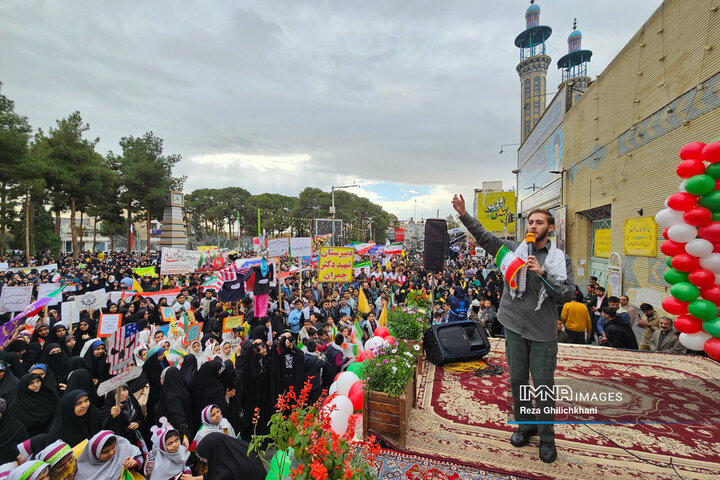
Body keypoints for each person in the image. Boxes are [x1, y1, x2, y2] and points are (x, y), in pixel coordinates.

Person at [453, 194, 575, 464]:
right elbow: (485, 238)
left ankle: (546, 439)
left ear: (550, 228)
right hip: (513, 327)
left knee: (543, 386)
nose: (532, 226)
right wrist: (463, 215)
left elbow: (567, 295)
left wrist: (543, 274)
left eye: (539, 222)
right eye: (530, 222)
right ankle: (525, 426)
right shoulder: (514, 249)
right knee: (518, 380)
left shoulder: (558, 260)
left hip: (542, 332)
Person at [75, 430, 143, 480]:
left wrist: (135, 462)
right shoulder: (81, 471)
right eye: (105, 452)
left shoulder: (122, 449)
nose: (111, 453)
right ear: (95, 454)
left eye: (113, 447)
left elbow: (139, 457)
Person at [194, 433, 265, 480]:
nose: (203, 461)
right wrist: (195, 478)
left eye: (204, 458)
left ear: (212, 455)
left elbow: (220, 474)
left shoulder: (228, 472)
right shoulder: (242, 448)